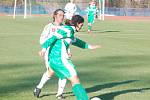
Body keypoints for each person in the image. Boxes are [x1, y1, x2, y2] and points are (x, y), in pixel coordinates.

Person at [41, 15, 100, 100]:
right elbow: (53, 37)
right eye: (81, 25)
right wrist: (43, 49)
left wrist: (90, 46)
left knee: (74, 80)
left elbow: (76, 41)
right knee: (75, 80)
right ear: (77, 23)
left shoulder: (69, 32)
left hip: (54, 60)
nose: (81, 27)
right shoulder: (68, 30)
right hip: (60, 60)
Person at [33, 9, 68, 99]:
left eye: (63, 15)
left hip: (62, 54)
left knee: (64, 73)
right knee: (50, 72)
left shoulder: (64, 28)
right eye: (60, 15)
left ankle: (60, 94)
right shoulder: (49, 26)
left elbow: (66, 42)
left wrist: (68, 52)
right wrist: (45, 48)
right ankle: (39, 87)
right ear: (55, 16)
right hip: (50, 53)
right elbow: (42, 40)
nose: (62, 17)